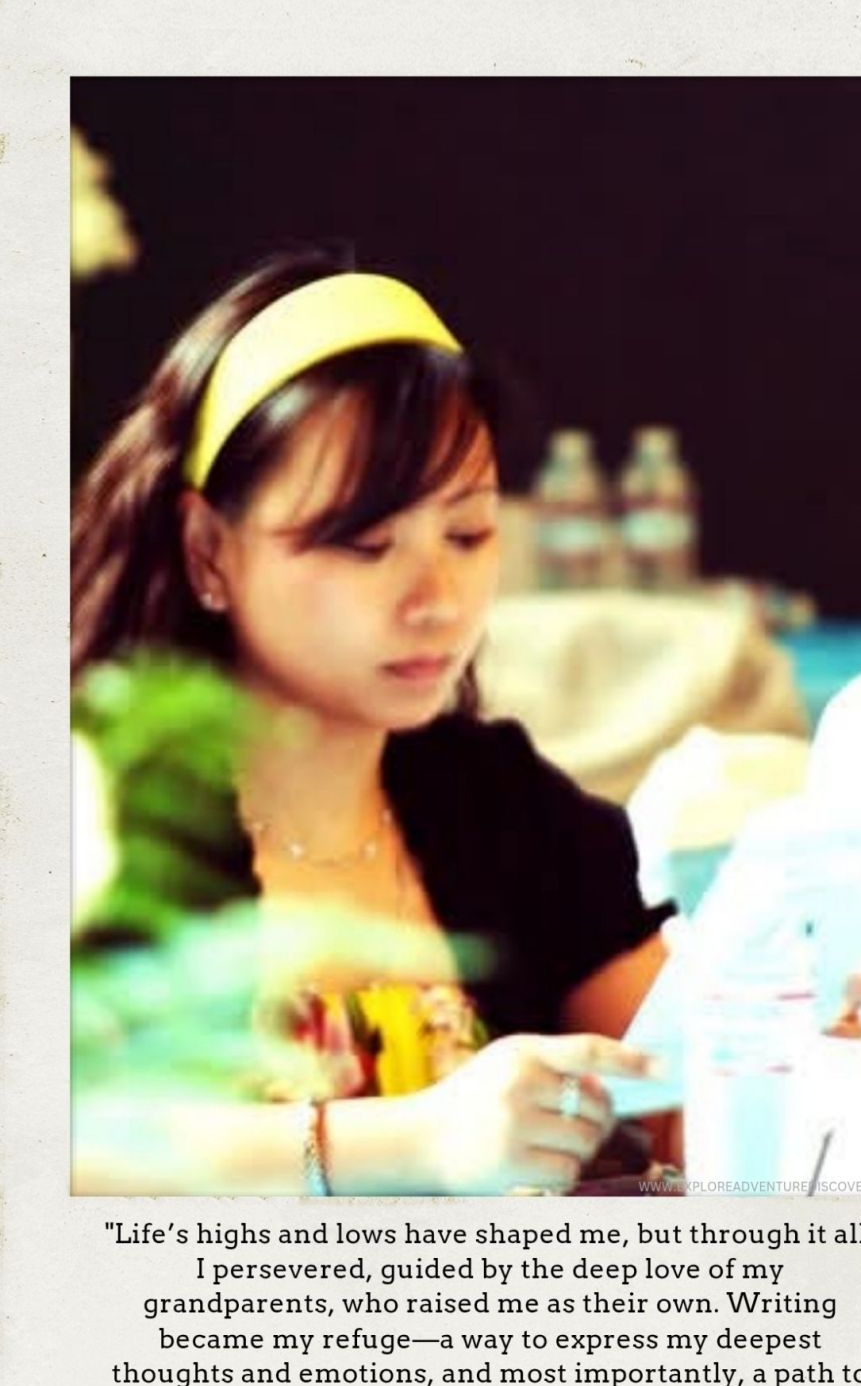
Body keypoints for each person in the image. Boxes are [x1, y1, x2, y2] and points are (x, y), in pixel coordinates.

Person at [71, 249, 673, 1195]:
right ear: (208, 550)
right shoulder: (91, 815)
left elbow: (675, 1082)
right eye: (365, 543)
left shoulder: (500, 806)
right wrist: (410, 1142)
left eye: (468, 533)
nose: (438, 599)